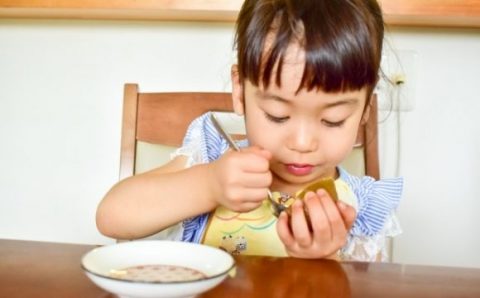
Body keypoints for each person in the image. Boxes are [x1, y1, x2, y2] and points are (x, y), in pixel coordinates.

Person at [96, 0, 402, 261]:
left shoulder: (362, 209)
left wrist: (324, 260)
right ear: (240, 91)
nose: (303, 142)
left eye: (333, 120)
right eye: (278, 115)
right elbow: (111, 216)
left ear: (364, 111)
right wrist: (208, 185)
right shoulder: (213, 153)